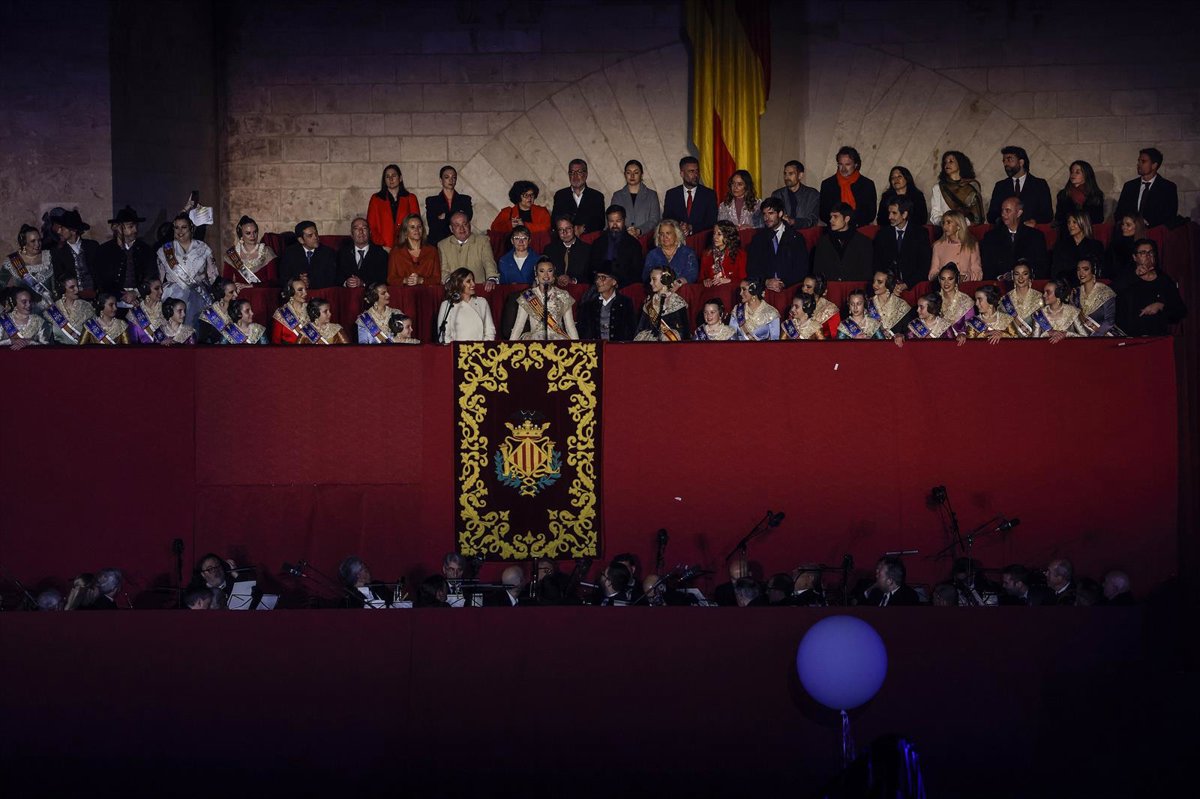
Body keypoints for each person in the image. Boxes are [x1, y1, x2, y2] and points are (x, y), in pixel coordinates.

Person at [1116, 239, 1187, 336]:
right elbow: (1109, 294)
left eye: (1151, 252)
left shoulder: (1164, 280)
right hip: (1129, 337)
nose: (1148, 256)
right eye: (1143, 253)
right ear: (1135, 257)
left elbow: (1180, 311)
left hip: (1156, 336)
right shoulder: (1126, 277)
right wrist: (1135, 276)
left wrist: (1161, 306)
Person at [157, 214, 217, 326]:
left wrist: (214, 294)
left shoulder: (203, 247)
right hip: (172, 295)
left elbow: (213, 275)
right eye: (177, 227)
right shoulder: (165, 249)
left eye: (184, 227)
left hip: (198, 295)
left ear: (191, 228)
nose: (180, 231)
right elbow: (159, 279)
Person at [94, 206, 156, 302]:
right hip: (113, 300)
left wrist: (136, 292)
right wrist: (121, 296)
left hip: (141, 299)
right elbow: (101, 280)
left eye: (136, 226)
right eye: (130, 226)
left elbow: (152, 277)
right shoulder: (104, 251)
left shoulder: (146, 250)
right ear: (117, 227)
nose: (135, 230)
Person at [745, 197, 809, 291]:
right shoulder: (758, 239)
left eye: (771, 213)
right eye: (764, 214)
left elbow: (802, 268)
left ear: (780, 213)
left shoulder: (796, 237)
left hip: (790, 289)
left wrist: (784, 283)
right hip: (764, 289)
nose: (766, 218)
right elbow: (752, 268)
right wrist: (766, 281)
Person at [509, 257, 579, 340]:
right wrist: (509, 347)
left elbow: (570, 327)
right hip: (535, 341)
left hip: (557, 340)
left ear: (554, 273)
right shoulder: (528, 296)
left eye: (550, 271)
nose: (546, 275)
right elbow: (518, 326)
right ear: (536, 274)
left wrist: (577, 346)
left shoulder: (563, 295)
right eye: (541, 271)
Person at [873, 196, 932, 291]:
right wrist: (889, 283)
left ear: (904, 214)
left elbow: (924, 266)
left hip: (913, 286)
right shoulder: (882, 234)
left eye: (894, 213)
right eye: (889, 213)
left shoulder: (920, 234)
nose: (890, 217)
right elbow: (877, 263)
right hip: (887, 287)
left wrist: (906, 284)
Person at [980, 197, 1048, 279]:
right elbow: (988, 267)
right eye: (1002, 210)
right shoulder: (991, 237)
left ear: (1019, 213)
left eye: (1007, 210)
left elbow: (1041, 267)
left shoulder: (1035, 236)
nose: (1003, 214)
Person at [986, 145, 1053, 225]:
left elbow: (1048, 215)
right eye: (1004, 161)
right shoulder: (1000, 186)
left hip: (1031, 231)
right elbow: (991, 215)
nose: (1006, 164)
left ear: (1021, 162)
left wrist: (1034, 221)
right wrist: (1003, 220)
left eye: (1009, 159)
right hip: (1005, 231)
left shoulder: (1039, 185)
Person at [1113, 147, 1179, 228]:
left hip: (1155, 232)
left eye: (1143, 161)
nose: (1139, 164)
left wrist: (1146, 223)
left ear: (1154, 165)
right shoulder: (1129, 186)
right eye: (1139, 161)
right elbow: (1119, 213)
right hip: (1130, 232)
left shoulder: (1168, 188)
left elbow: (1169, 216)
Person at [818, 146, 877, 228]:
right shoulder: (828, 184)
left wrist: (851, 223)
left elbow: (870, 213)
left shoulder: (867, 184)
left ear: (856, 165)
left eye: (847, 164)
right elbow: (823, 213)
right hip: (834, 229)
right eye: (840, 164)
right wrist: (839, 223)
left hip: (859, 229)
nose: (843, 169)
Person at [813, 202, 873, 281]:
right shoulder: (823, 241)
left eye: (835, 216)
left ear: (847, 219)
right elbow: (817, 272)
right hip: (829, 287)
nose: (831, 220)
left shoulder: (864, 242)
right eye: (831, 217)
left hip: (855, 287)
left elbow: (867, 273)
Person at [587, 205, 643, 289]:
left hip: (623, 287)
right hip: (599, 286)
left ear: (624, 220)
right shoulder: (598, 243)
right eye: (611, 221)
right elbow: (591, 268)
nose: (615, 225)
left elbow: (636, 273)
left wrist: (615, 284)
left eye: (618, 221)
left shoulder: (633, 244)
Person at [437, 212, 499, 288]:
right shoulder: (443, 245)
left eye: (465, 224)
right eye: (457, 225)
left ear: (469, 225)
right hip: (455, 288)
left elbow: (489, 263)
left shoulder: (483, 241)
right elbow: (443, 270)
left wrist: (491, 278)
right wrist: (451, 282)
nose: (462, 228)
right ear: (451, 228)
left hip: (478, 288)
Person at [366, 164, 420, 250]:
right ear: (384, 180)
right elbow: (371, 226)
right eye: (387, 176)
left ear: (400, 178)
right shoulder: (376, 199)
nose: (391, 179)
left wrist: (409, 244)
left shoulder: (411, 198)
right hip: (383, 247)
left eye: (394, 175)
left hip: (406, 247)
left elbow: (416, 224)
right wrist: (382, 245)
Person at [436, 268, 496, 343]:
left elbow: (490, 332)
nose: (473, 284)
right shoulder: (447, 305)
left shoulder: (482, 302)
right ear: (459, 284)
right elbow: (444, 337)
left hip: (480, 349)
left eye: (473, 280)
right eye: (468, 281)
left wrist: (481, 347)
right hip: (456, 349)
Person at [662, 155, 718, 235]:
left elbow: (711, 221)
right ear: (682, 174)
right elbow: (667, 219)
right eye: (691, 171)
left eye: (697, 171)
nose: (696, 175)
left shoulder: (709, 194)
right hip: (678, 239)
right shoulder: (672, 194)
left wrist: (691, 227)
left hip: (700, 239)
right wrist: (680, 227)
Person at [3, 224, 56, 308]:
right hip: (24, 311)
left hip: (51, 310)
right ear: (24, 243)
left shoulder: (49, 256)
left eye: (39, 240)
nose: (37, 244)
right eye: (33, 241)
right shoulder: (13, 261)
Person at [577, 267, 635, 342]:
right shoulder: (588, 304)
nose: (598, 281)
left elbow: (630, 330)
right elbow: (584, 332)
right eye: (597, 277)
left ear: (614, 282)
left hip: (618, 346)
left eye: (603, 278)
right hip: (596, 347)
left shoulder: (625, 303)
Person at [551, 159, 606, 234]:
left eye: (579, 172)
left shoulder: (597, 196)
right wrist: (568, 229)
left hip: (589, 238)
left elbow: (600, 223)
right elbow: (554, 221)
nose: (575, 176)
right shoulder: (560, 195)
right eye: (572, 172)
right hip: (564, 237)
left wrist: (583, 228)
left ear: (586, 174)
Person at [49, 209, 100, 290]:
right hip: (73, 295)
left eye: (62, 228)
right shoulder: (57, 252)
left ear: (73, 230)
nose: (58, 231)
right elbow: (59, 277)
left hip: (94, 293)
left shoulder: (92, 246)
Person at [634, 266, 689, 341]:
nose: (650, 283)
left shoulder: (678, 303)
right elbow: (640, 330)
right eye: (650, 279)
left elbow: (685, 333)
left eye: (654, 279)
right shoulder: (649, 304)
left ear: (665, 280)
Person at [929, 150, 984, 225]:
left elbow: (977, 217)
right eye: (945, 162)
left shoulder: (971, 186)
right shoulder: (938, 187)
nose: (947, 164)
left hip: (967, 228)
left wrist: (959, 223)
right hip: (945, 228)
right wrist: (947, 222)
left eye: (951, 161)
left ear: (960, 164)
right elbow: (935, 214)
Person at [279, 220, 338, 289]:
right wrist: (298, 281)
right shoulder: (290, 253)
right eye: (310, 235)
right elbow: (283, 277)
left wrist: (310, 282)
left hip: (320, 292)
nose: (315, 237)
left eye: (316, 233)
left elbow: (332, 279)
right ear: (301, 240)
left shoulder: (328, 253)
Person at [386, 214, 441, 286]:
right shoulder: (396, 252)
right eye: (412, 227)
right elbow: (390, 279)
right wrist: (405, 280)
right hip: (404, 291)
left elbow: (437, 279)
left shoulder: (432, 251)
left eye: (419, 226)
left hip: (426, 291)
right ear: (405, 231)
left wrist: (421, 280)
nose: (417, 230)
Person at [222, 215, 278, 286]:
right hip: (240, 292)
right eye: (248, 233)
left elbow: (274, 282)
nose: (253, 236)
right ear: (241, 235)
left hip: (263, 291)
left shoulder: (267, 252)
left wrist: (252, 286)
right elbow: (226, 284)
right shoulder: (232, 254)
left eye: (255, 232)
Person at [611, 159, 661, 238]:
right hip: (622, 238)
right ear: (625, 174)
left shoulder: (651, 195)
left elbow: (654, 220)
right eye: (629, 172)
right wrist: (627, 232)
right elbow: (613, 218)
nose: (632, 176)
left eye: (636, 172)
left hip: (645, 238)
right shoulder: (617, 195)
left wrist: (639, 230)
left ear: (641, 174)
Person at [424, 164, 473, 245]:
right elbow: (433, 225)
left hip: (460, 242)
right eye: (447, 177)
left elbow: (468, 217)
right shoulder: (432, 201)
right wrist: (456, 214)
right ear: (441, 180)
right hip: (438, 242)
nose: (451, 180)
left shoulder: (465, 199)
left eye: (453, 177)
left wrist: (445, 216)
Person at [1071, 256, 1117, 336]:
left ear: (1093, 271)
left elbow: (1109, 321)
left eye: (1085, 269)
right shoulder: (1076, 292)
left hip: (1103, 337)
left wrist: (1094, 337)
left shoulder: (1105, 292)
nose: (1081, 273)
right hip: (1081, 336)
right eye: (1078, 270)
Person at [336, 217, 389, 288]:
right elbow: (336, 276)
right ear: (351, 234)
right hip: (348, 293)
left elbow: (383, 279)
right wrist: (346, 283)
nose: (361, 231)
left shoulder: (381, 254)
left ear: (370, 232)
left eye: (364, 228)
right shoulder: (342, 253)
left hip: (371, 293)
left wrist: (363, 283)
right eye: (356, 228)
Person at [929, 211, 981, 281]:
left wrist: (965, 277)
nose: (944, 226)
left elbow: (978, 273)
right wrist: (942, 278)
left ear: (958, 226)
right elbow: (932, 273)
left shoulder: (971, 244)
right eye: (943, 223)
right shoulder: (938, 246)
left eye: (948, 222)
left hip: (965, 285)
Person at [1050, 211, 1105, 279]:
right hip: (1066, 282)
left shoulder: (1096, 246)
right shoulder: (1061, 245)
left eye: (1074, 222)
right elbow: (1056, 271)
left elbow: (1099, 270)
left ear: (1083, 223)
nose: (1070, 225)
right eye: (1069, 222)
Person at [642, 220, 699, 284]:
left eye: (668, 233)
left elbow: (692, 275)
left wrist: (679, 283)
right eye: (661, 234)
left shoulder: (688, 253)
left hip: (682, 288)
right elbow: (646, 277)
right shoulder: (652, 254)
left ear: (676, 234)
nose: (664, 237)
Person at [43, 276, 94, 344]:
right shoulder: (53, 309)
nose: (77, 290)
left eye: (77, 286)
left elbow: (96, 334)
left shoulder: (86, 307)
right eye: (72, 287)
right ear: (63, 289)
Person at [543, 215, 592, 287]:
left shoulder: (587, 249)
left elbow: (590, 276)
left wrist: (573, 280)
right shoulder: (549, 249)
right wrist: (556, 278)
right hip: (554, 288)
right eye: (560, 229)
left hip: (578, 288)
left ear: (574, 228)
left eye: (568, 228)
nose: (565, 233)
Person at [771, 159, 820, 230]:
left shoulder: (812, 195)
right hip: (783, 234)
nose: (786, 177)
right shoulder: (777, 195)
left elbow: (813, 220)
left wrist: (794, 222)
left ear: (800, 175)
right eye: (785, 173)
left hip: (805, 233)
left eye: (790, 174)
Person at [1054, 160, 1105, 227]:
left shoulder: (1096, 194)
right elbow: (1059, 217)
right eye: (1072, 172)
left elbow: (1099, 219)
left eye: (1077, 172)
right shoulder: (1063, 194)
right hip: (1067, 230)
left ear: (1086, 175)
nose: (1073, 175)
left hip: (1088, 230)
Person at [999, 259, 1042, 337]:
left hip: (1037, 342)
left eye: (1025, 274)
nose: (1020, 278)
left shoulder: (1040, 298)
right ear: (1012, 276)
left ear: (1030, 275)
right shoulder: (1005, 300)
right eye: (1017, 274)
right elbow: (1001, 325)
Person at [699, 220, 746, 287]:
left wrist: (729, 280)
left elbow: (744, 280)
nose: (715, 237)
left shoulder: (739, 254)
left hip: (731, 290)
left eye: (719, 234)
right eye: (714, 233)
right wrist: (705, 281)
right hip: (712, 290)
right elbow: (701, 278)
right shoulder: (707, 254)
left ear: (728, 236)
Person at [1105, 213, 1147, 285]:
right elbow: (1109, 268)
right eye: (1123, 224)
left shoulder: (1145, 245)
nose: (1123, 227)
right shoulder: (1116, 244)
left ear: (1137, 227)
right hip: (1119, 281)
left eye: (1128, 225)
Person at [867, 270, 911, 336]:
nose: (874, 285)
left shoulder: (902, 306)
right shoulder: (868, 304)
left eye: (879, 282)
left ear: (889, 284)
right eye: (874, 281)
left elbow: (909, 333)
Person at [194, 278, 238, 344]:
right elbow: (203, 340)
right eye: (231, 292)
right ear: (222, 293)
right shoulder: (209, 313)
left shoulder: (234, 309)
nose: (236, 294)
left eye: (236, 291)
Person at [934, 264, 974, 334]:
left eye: (950, 279)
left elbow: (971, 328)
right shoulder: (934, 299)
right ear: (939, 280)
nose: (946, 283)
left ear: (956, 279)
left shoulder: (965, 301)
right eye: (943, 279)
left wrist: (963, 334)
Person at [271, 279, 310, 345]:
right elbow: (276, 341)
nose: (305, 293)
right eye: (300, 290)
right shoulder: (282, 313)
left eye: (305, 289)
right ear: (291, 292)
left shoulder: (311, 309)